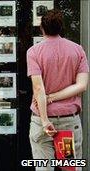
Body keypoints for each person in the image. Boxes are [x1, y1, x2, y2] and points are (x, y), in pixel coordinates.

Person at [27, 10, 89, 171]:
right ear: (61, 27)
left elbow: (38, 88)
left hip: (42, 122)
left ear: (42, 28)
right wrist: (53, 97)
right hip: (68, 122)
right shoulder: (77, 50)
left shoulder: (34, 52)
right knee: (68, 167)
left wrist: (46, 120)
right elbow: (82, 85)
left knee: (43, 168)